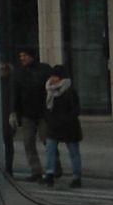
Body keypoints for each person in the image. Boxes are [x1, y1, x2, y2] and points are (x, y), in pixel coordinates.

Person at [8, 48, 49, 181]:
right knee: (28, 142)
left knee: (47, 140)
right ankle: (36, 170)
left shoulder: (43, 70)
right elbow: (16, 93)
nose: (22, 58)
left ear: (32, 56)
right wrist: (15, 111)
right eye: (21, 55)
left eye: (25, 55)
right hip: (27, 113)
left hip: (43, 112)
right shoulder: (19, 73)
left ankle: (53, 167)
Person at [41, 63, 83, 188]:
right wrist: (49, 119)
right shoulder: (49, 90)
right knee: (50, 150)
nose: (52, 79)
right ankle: (49, 174)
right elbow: (46, 108)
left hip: (69, 126)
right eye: (52, 76)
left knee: (73, 152)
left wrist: (64, 119)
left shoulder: (69, 91)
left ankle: (77, 176)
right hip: (53, 126)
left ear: (61, 77)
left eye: (55, 76)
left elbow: (75, 110)